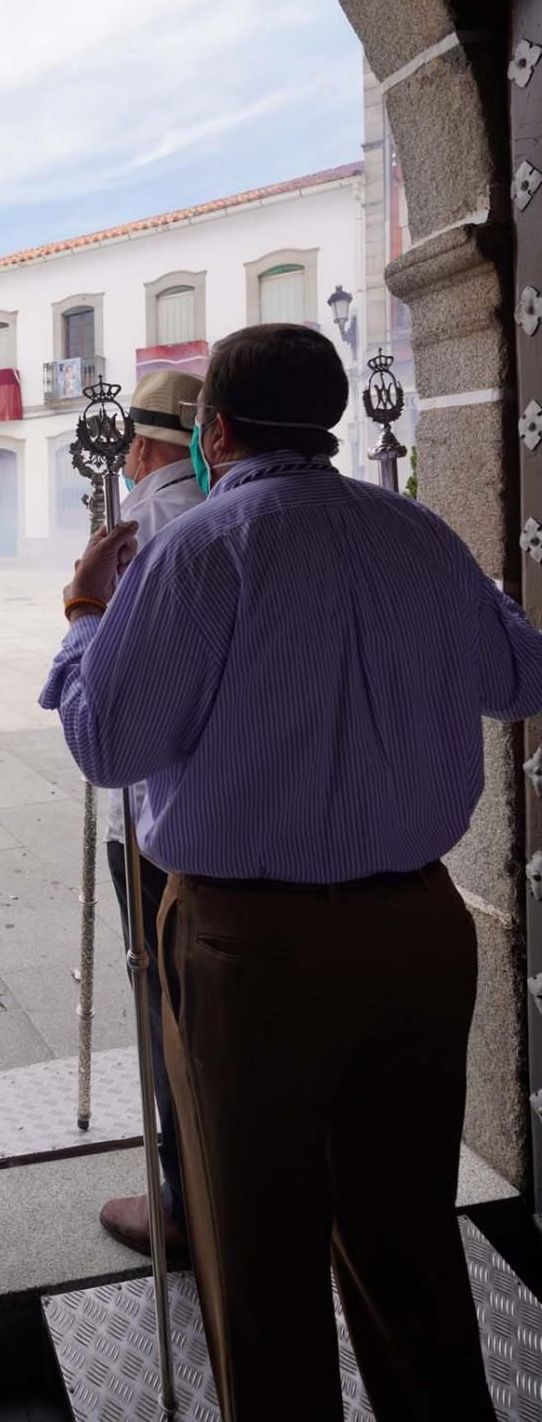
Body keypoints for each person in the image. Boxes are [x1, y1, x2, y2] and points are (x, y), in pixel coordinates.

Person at [41, 322, 539, 1422]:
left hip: (249, 951)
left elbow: (110, 746)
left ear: (216, 429)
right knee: (409, 1232)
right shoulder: (417, 533)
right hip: (418, 929)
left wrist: (83, 618)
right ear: (333, 421)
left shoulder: (196, 550)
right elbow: (518, 676)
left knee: (258, 1251)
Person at [96, 367, 204, 1263]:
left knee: (168, 1014)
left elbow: (108, 716)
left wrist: (81, 610)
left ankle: (179, 1200)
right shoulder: (231, 511)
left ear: (138, 448)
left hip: (160, 826)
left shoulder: (145, 530)